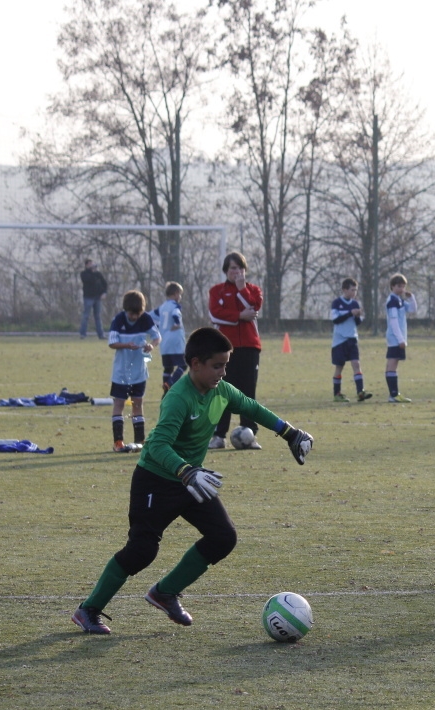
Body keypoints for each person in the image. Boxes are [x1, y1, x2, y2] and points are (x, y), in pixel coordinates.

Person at [71, 327, 314, 635]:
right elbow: (157, 446)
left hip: (191, 478)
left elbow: (251, 407)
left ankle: (165, 591)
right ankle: (88, 610)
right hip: (156, 481)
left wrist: (289, 432)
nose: (223, 372)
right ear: (196, 364)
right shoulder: (178, 398)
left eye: (226, 365)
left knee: (223, 537)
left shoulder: (221, 390)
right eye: (217, 365)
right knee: (142, 551)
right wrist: (186, 471)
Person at [208, 251, 263, 448]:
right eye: (233, 268)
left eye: (240, 268)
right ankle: (218, 435)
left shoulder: (253, 290)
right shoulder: (216, 291)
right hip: (224, 348)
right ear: (226, 270)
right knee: (221, 391)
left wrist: (242, 290)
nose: (237, 272)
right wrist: (239, 315)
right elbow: (216, 315)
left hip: (249, 347)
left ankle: (249, 435)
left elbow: (254, 308)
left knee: (248, 392)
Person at [107, 290, 161, 452]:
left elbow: (157, 336)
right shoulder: (118, 319)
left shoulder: (145, 319)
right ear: (126, 310)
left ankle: (140, 441)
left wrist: (152, 345)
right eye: (131, 314)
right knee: (119, 404)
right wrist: (126, 345)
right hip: (121, 373)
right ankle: (118, 442)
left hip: (139, 372)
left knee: (138, 403)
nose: (134, 317)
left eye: (137, 314)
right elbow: (111, 342)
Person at [331, 278, 371, 402]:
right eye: (352, 290)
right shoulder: (337, 303)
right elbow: (335, 320)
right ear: (344, 290)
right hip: (339, 340)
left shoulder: (355, 304)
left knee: (356, 364)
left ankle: (360, 392)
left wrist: (358, 316)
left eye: (356, 290)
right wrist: (350, 313)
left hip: (352, 339)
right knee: (339, 367)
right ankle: (337, 394)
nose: (354, 293)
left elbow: (357, 322)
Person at [384, 273, 417, 403]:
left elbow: (413, 310)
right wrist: (400, 339)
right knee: (392, 364)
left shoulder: (400, 300)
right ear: (392, 286)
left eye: (403, 286)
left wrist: (412, 297)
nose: (402, 289)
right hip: (395, 338)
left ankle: (394, 394)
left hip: (397, 338)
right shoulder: (392, 301)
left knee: (393, 364)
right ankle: (393, 394)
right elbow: (393, 321)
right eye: (399, 286)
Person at [153, 281, 186, 395]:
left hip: (164, 342)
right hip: (175, 342)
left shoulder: (161, 307)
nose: (180, 297)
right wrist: (177, 324)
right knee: (183, 364)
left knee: (168, 367)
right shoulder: (175, 306)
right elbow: (176, 314)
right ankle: (171, 383)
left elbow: (150, 316)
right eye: (180, 294)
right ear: (176, 293)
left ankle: (165, 392)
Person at [79, 258, 108, 340]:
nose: (92, 265)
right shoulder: (84, 274)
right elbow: (90, 280)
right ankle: (83, 334)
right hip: (88, 297)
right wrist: (92, 272)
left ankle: (101, 335)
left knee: (98, 317)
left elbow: (104, 283)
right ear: (87, 265)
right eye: (90, 264)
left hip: (98, 298)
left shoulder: (98, 274)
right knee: (86, 316)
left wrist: (104, 293)